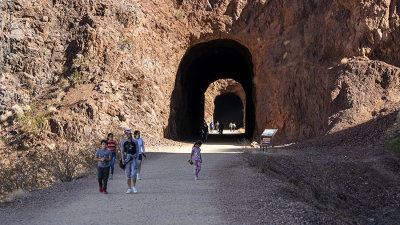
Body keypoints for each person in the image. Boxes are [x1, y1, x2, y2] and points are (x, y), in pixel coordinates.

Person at [121, 129, 139, 194]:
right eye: (126, 134)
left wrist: (137, 156)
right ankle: (129, 188)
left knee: (134, 173)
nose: (127, 135)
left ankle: (134, 186)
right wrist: (122, 159)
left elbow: (137, 150)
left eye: (128, 134)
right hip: (127, 160)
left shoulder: (135, 142)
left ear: (131, 134)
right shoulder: (123, 142)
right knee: (127, 174)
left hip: (133, 158)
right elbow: (122, 151)